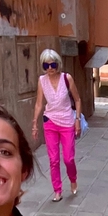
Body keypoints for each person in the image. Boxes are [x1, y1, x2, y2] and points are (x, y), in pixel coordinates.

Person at [32, 49, 81, 202]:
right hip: (50, 122)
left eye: (52, 65)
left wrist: (77, 119)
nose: (50, 68)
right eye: (46, 65)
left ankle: (73, 179)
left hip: (67, 122)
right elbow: (39, 103)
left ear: (58, 64)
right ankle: (57, 190)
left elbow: (77, 100)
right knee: (53, 160)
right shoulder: (42, 81)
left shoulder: (67, 78)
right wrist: (35, 124)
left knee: (68, 158)